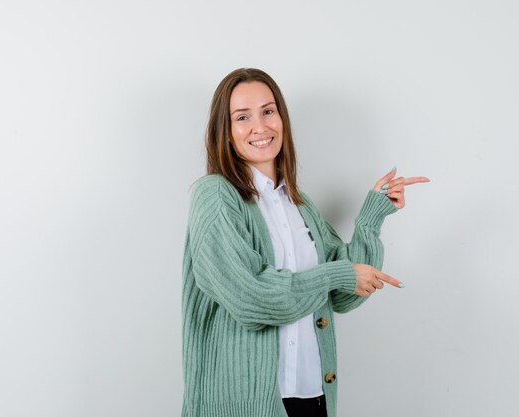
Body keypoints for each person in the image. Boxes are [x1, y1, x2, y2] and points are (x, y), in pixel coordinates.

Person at [181, 68, 429, 417]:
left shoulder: (299, 205)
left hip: (313, 397)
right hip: (243, 405)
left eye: (268, 111)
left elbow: (343, 296)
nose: (260, 126)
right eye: (242, 117)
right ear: (225, 130)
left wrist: (373, 216)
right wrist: (337, 274)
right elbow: (251, 297)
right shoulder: (216, 195)